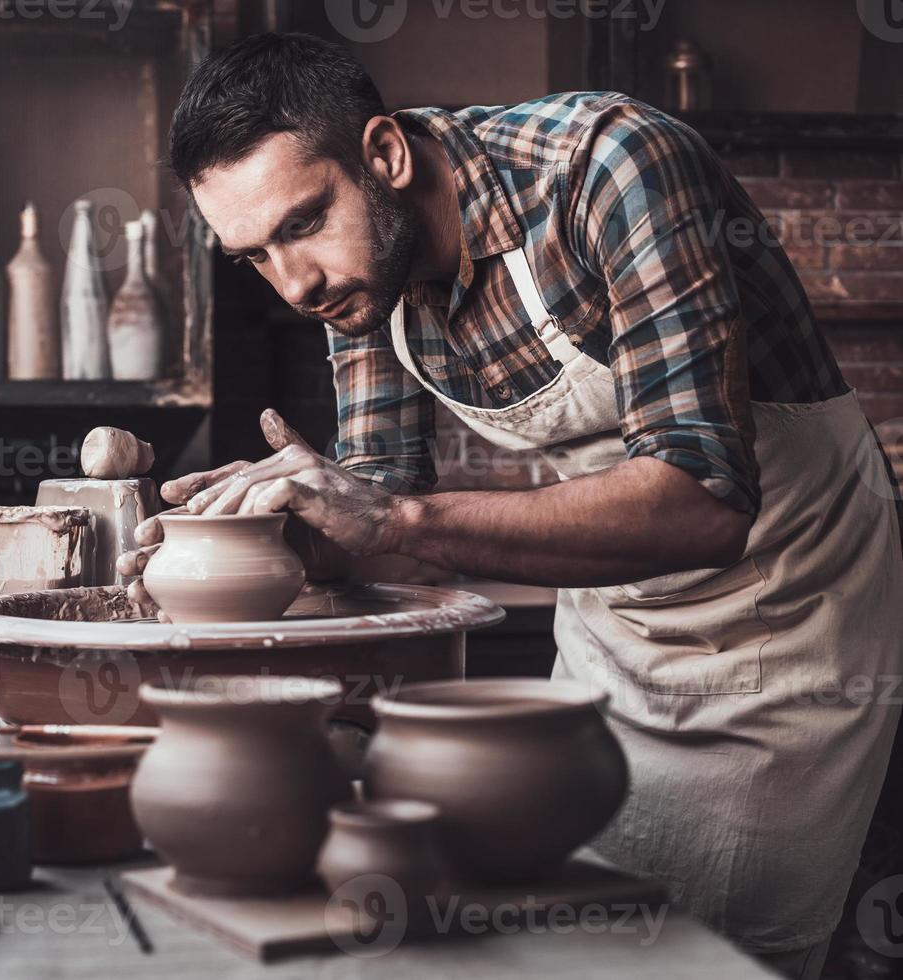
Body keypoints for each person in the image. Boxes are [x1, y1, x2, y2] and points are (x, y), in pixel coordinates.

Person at [120, 32, 903, 979]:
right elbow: (375, 509)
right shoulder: (360, 280)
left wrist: (393, 521)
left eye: (301, 224)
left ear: (385, 156)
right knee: (585, 935)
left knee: (717, 952)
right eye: (253, 256)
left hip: (788, 612)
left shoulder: (606, 168)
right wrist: (254, 523)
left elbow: (703, 500)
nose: (295, 283)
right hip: (615, 624)